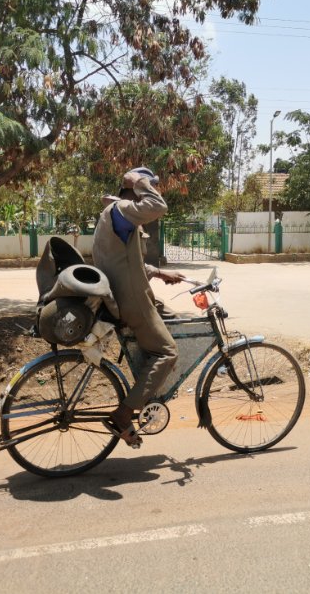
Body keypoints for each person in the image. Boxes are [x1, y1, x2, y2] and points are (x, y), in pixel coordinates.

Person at [92, 167, 184, 446]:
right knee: (168, 352)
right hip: (131, 299)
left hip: (128, 293)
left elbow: (128, 261)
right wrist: (140, 182)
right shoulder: (121, 209)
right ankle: (124, 413)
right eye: (150, 187)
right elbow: (158, 206)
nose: (153, 192)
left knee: (173, 318)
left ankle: (148, 388)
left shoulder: (117, 215)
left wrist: (159, 272)